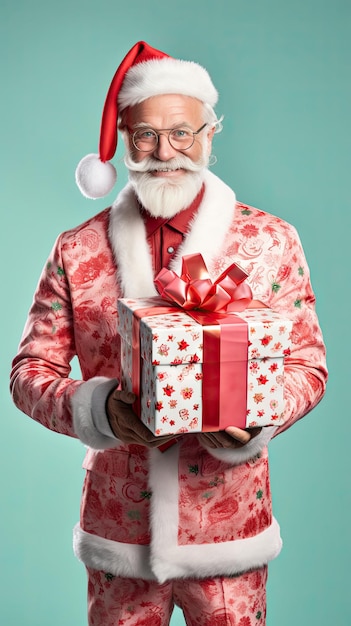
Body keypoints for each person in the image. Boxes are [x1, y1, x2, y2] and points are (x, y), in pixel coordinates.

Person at [10, 41, 327, 626]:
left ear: (211, 134)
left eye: (182, 133)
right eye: (145, 136)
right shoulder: (77, 250)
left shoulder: (272, 242)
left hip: (230, 525)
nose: (164, 153)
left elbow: (308, 364)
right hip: (118, 532)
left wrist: (259, 416)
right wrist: (100, 411)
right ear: (124, 140)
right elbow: (29, 374)